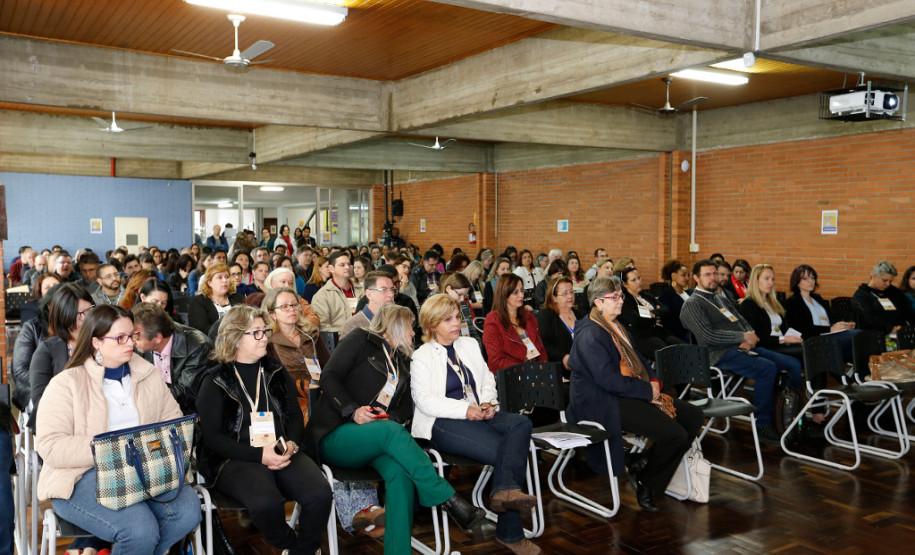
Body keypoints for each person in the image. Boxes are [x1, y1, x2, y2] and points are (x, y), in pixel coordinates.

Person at [305, 304, 485, 554]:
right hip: (337, 434)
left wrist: (387, 416)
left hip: (377, 439)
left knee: (400, 473)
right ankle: (447, 498)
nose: (413, 334)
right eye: (410, 327)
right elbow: (329, 376)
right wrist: (353, 410)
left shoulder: (403, 361)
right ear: (396, 325)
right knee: (390, 431)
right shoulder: (361, 339)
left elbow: (408, 407)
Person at [35, 305, 201, 554]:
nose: (130, 344)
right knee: (139, 530)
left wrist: (146, 447)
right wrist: (112, 449)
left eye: (132, 335)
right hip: (80, 475)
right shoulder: (66, 383)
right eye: (119, 338)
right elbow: (50, 446)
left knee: (188, 513)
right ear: (96, 342)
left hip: (145, 469)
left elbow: (172, 422)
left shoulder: (148, 374)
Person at [196, 306, 332, 554]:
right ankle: (291, 545)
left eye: (265, 331)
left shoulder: (275, 371)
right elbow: (213, 438)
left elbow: (293, 418)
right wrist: (260, 455)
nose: (264, 338)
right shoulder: (215, 379)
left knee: (320, 494)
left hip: (281, 448)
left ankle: (306, 550)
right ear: (235, 337)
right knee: (266, 503)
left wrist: (291, 444)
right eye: (256, 333)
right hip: (236, 456)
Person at [411, 295, 540, 555]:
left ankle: (504, 492)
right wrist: (466, 410)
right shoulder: (421, 356)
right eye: (448, 319)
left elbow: (486, 378)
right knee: (507, 452)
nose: (456, 323)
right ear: (432, 324)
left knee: (521, 425)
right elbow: (425, 401)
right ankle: (510, 534)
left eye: (457, 317)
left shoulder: (469, 344)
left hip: (479, 412)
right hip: (442, 422)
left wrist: (488, 402)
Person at [566, 276, 704, 512]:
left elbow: (639, 358)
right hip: (602, 401)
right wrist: (645, 390)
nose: (621, 301)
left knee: (693, 416)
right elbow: (607, 381)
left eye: (621, 296)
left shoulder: (617, 326)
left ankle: (642, 463)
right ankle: (648, 483)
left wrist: (654, 380)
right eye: (615, 297)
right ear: (598, 302)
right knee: (675, 436)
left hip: (628, 391)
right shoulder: (591, 334)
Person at [680, 259, 802, 443]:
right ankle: (763, 424)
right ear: (696, 278)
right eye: (707, 275)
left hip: (742, 348)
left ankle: (790, 415)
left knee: (792, 364)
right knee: (766, 368)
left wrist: (749, 334)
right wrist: (741, 338)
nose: (713, 278)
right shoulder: (693, 304)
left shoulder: (719, 298)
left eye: (715, 273)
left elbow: (741, 320)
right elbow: (707, 336)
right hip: (717, 355)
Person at [29, 283, 95, 431]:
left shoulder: (102, 341)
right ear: (65, 317)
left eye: (89, 310)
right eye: (80, 314)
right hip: (61, 424)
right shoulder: (47, 350)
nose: (86, 318)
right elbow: (41, 401)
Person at [132, 302, 213, 415]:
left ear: (157, 338)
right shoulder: (140, 344)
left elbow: (186, 393)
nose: (131, 342)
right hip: (154, 408)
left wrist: (144, 398)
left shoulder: (198, 347)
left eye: (136, 338)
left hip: (190, 413)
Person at [263, 287, 330, 422]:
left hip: (321, 397)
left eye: (294, 305)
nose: (291, 309)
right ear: (272, 314)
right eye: (284, 306)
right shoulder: (267, 341)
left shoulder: (311, 333)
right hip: (290, 403)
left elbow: (328, 366)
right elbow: (272, 382)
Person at [737, 265, 805, 362]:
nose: (771, 282)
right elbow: (756, 337)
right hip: (767, 346)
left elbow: (784, 328)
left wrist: (791, 337)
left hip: (781, 343)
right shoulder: (749, 304)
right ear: (755, 281)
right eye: (766, 279)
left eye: (772, 279)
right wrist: (784, 339)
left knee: (809, 347)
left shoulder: (776, 303)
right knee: (804, 352)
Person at [483, 273, 548, 373]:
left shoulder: (529, 317)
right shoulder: (493, 320)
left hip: (534, 374)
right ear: (504, 294)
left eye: (522, 290)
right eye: (515, 292)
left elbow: (541, 350)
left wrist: (543, 369)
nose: (521, 295)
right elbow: (496, 361)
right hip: (511, 377)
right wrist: (527, 370)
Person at [617, 266, 683, 361]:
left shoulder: (645, 295)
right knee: (668, 355)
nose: (638, 282)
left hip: (660, 332)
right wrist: (655, 317)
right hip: (644, 336)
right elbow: (636, 319)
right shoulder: (625, 301)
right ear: (625, 284)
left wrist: (653, 314)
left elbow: (666, 310)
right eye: (633, 280)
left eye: (639, 278)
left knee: (685, 349)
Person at [310, 252, 361, 351]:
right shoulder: (322, 296)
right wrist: (347, 335)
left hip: (364, 340)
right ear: (331, 269)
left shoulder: (362, 290)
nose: (347, 267)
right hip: (340, 345)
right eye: (342, 265)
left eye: (349, 264)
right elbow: (323, 326)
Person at [536, 276, 584, 376]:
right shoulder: (546, 315)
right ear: (554, 298)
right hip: (559, 371)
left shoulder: (581, 315)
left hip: (584, 367)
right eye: (565, 293)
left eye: (571, 292)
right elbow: (544, 344)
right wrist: (563, 357)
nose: (570, 296)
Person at [852, 260, 915, 334]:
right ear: (874, 276)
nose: (888, 284)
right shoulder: (861, 295)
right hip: (875, 335)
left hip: (900, 331)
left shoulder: (894, 291)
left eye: (890, 281)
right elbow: (868, 319)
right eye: (884, 280)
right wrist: (891, 329)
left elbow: (907, 310)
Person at [187, 264, 245, 334]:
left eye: (227, 277)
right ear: (209, 283)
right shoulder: (198, 302)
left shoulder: (239, 298)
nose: (225, 280)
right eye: (219, 277)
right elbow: (201, 331)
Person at [340, 271, 396, 340]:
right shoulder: (353, 325)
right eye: (383, 289)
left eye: (392, 289)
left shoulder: (397, 320)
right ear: (369, 294)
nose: (391, 294)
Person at [656, 259, 693, 342]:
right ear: (673, 276)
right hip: (679, 334)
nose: (687, 278)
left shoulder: (690, 292)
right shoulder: (666, 295)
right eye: (683, 275)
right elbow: (669, 322)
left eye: (688, 275)